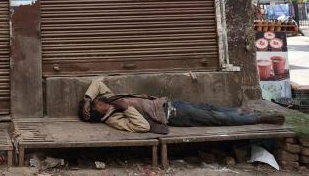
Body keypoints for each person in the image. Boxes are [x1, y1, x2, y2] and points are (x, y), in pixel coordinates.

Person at [78, 79, 285, 134]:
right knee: (216, 119)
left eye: (97, 100)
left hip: (169, 103)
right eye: (97, 102)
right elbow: (142, 127)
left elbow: (97, 83)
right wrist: (127, 108)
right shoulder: (115, 119)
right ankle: (257, 119)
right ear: (99, 112)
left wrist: (87, 99)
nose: (101, 99)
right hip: (173, 115)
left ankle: (241, 112)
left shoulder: (109, 100)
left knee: (211, 108)